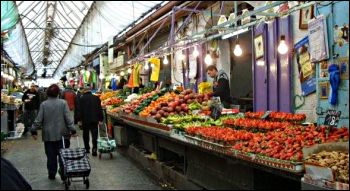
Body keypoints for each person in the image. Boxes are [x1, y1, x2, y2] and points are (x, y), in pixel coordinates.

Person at [31, 84, 77, 180]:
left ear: (47, 93)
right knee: (63, 155)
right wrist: (72, 130)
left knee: (50, 156)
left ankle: (51, 173)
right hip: (63, 135)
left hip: (48, 136)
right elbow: (68, 118)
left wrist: (33, 130)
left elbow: (38, 120)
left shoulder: (43, 104)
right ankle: (63, 173)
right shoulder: (63, 103)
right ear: (58, 93)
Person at [77, 86, 103, 156]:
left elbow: (79, 110)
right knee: (94, 135)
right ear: (90, 91)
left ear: (84, 91)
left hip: (85, 120)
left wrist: (79, 119)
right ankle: (94, 149)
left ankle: (87, 149)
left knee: (85, 134)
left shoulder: (81, 98)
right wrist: (101, 119)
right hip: (94, 119)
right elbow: (99, 109)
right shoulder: (96, 98)